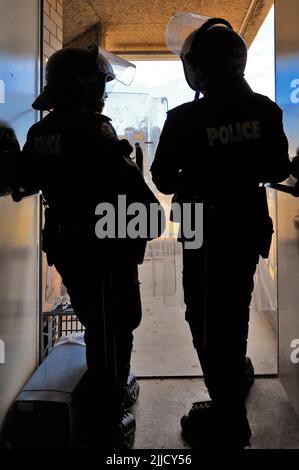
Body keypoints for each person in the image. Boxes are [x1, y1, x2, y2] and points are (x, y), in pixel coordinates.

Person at [151, 16, 291, 448]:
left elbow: (163, 178)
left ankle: (228, 415)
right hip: (245, 223)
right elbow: (277, 169)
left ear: (198, 69)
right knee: (233, 307)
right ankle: (234, 376)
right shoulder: (266, 110)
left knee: (205, 316)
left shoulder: (183, 118)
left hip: (200, 225)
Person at [18, 44, 160, 448]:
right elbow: (139, 201)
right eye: (100, 85)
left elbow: (26, 181)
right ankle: (108, 415)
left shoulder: (40, 131)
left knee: (98, 323)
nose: (103, 93)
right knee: (116, 327)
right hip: (104, 249)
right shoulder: (94, 130)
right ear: (86, 86)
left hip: (68, 245)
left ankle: (109, 391)